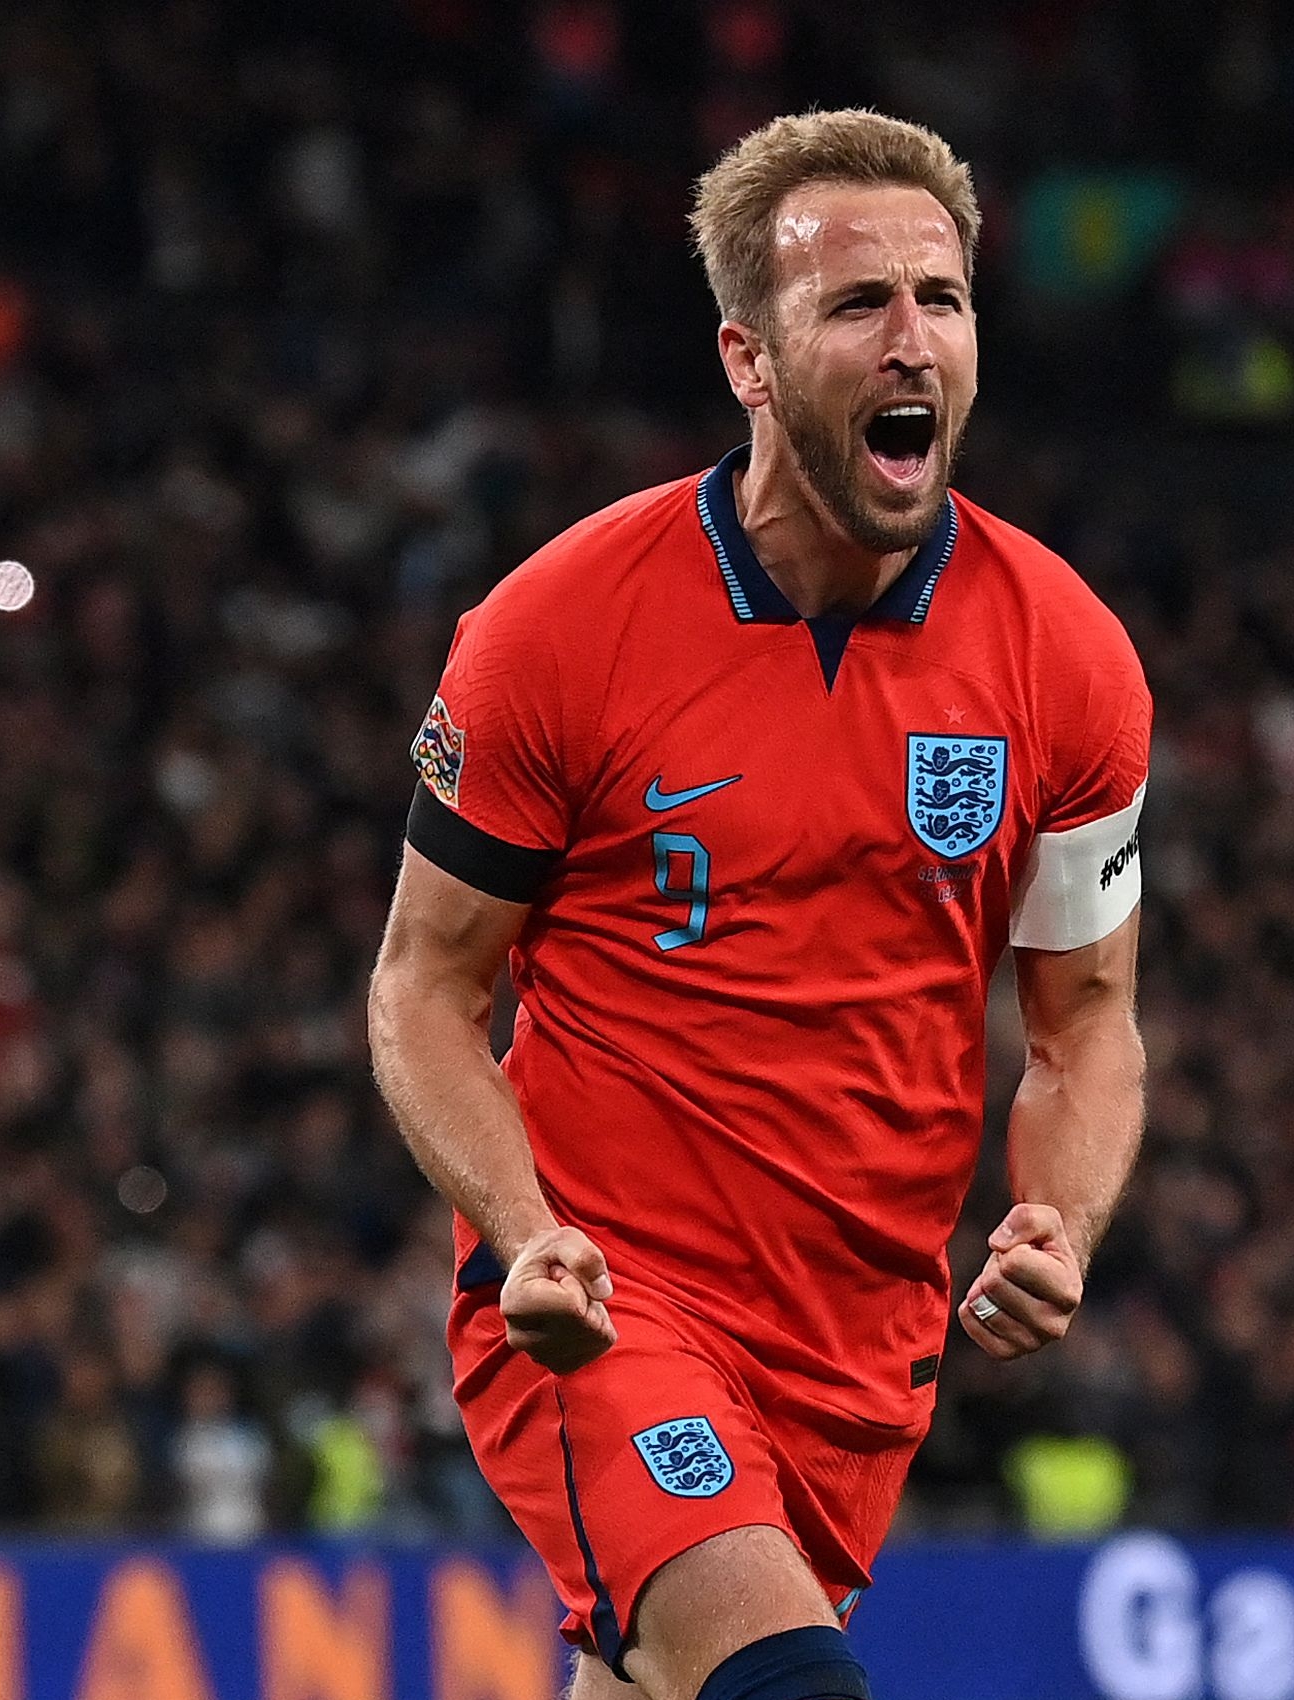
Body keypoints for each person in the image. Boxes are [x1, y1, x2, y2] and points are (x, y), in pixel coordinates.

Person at [367, 109, 1151, 1700]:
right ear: (749, 357)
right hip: (602, 1300)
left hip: (863, 1345)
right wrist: (523, 1233)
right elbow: (422, 991)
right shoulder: (556, 631)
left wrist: (1062, 1215)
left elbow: (1087, 1024)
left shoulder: (1069, 659)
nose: (912, 338)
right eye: (859, 303)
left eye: (942, 296)